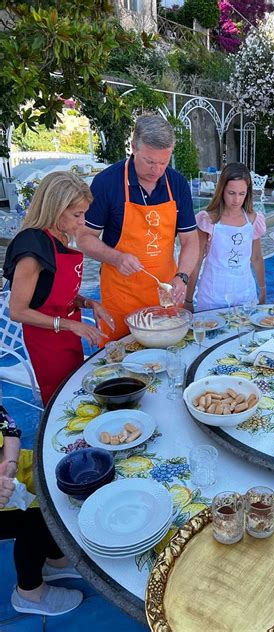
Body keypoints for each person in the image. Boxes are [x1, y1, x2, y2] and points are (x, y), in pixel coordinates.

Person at [76, 114, 199, 340]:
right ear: (133, 147)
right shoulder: (107, 182)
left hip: (165, 295)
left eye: (164, 162)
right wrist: (115, 257)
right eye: (150, 161)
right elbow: (84, 237)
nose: (157, 170)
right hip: (121, 297)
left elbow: (191, 240)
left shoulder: (177, 184)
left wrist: (182, 277)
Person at [4, 172, 112, 406]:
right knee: (60, 400)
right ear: (55, 208)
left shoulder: (60, 237)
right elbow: (17, 310)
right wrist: (69, 324)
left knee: (76, 391)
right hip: (47, 343)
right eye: (77, 215)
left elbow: (58, 292)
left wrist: (89, 303)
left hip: (68, 334)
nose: (82, 222)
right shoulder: (32, 247)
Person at [0, 405, 83, 616]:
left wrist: (9, 462)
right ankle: (29, 592)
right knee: (35, 520)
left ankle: (55, 560)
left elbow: (6, 424)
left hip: (12, 469)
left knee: (50, 495)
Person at [185, 163, 266, 311]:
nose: (236, 200)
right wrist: (188, 299)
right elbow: (196, 262)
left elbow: (256, 258)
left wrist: (263, 289)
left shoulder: (253, 220)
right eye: (231, 193)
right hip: (212, 294)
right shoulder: (208, 220)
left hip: (245, 294)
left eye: (242, 194)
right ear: (222, 190)